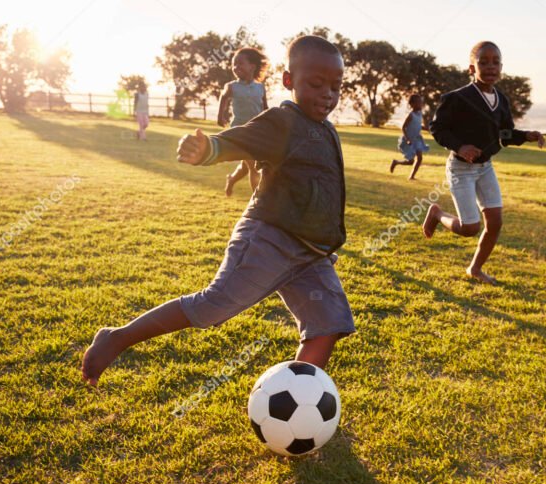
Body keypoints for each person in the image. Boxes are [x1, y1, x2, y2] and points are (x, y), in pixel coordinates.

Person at [81, 36, 354, 386]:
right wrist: (208, 148)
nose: (328, 94)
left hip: (311, 255)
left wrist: (325, 241)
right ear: (289, 81)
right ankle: (117, 337)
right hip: (269, 239)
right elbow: (240, 139)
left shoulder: (327, 130)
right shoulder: (281, 122)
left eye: (336, 86)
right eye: (316, 84)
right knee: (214, 305)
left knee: (327, 324)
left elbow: (326, 191)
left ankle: (303, 394)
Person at [424, 41, 545, 285]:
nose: (491, 66)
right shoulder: (458, 98)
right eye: (484, 62)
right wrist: (460, 147)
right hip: (460, 169)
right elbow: (437, 128)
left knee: (495, 223)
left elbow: (505, 135)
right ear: (472, 68)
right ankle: (437, 214)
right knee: (469, 228)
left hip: (485, 168)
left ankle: (475, 269)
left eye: (496, 62)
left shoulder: (501, 99)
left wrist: (527, 136)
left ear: (501, 66)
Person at [218, 47, 269, 196]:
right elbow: (223, 97)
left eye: (240, 63)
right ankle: (257, 201)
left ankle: (231, 179)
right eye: (234, 64)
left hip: (257, 132)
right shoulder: (232, 87)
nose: (236, 67)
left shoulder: (260, 88)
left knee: (247, 166)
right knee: (254, 166)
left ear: (252, 66)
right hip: (240, 132)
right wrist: (220, 116)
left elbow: (265, 108)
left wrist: (269, 123)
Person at [390, 94, 429, 180]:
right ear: (412, 104)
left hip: (417, 139)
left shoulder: (420, 114)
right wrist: (407, 139)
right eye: (418, 103)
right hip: (409, 140)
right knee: (410, 161)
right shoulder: (411, 115)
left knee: (419, 158)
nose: (421, 104)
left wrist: (425, 128)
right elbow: (404, 127)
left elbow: (417, 125)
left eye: (421, 102)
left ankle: (412, 176)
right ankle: (396, 162)